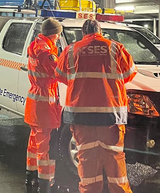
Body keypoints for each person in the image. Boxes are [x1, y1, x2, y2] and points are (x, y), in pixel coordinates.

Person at [55, 19, 137, 193]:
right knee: (115, 163)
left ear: (83, 33)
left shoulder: (71, 50)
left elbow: (61, 76)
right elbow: (129, 74)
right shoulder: (115, 48)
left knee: (87, 164)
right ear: (100, 31)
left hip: (81, 117)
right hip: (111, 117)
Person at [25, 18, 63, 193]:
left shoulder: (36, 47)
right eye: (58, 35)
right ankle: (45, 183)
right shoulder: (46, 52)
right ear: (54, 33)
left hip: (35, 102)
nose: (58, 38)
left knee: (34, 142)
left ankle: (30, 176)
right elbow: (60, 72)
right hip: (45, 104)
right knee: (46, 146)